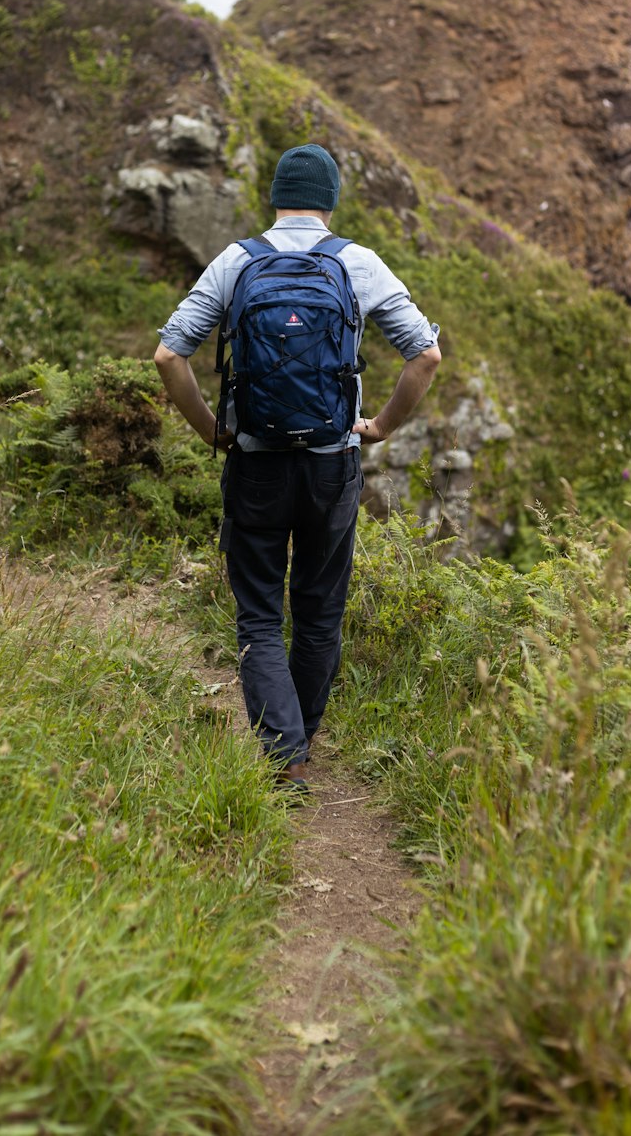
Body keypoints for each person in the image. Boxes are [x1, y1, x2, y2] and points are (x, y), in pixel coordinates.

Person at [153, 143, 441, 794]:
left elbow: (170, 357)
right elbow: (426, 356)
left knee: (258, 615)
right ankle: (300, 743)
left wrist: (213, 432)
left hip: (254, 464)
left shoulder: (237, 261)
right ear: (330, 199)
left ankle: (283, 757)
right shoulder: (357, 264)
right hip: (332, 466)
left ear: (276, 197)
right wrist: (380, 428)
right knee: (318, 615)